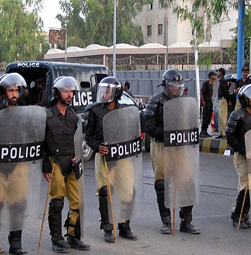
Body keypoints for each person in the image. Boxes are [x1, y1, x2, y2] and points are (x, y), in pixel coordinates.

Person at [0, 73, 33, 255]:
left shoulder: (26, 113)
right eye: (11, 90)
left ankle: (16, 244)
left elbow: (34, 135)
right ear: (3, 92)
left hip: (20, 165)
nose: (14, 94)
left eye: (17, 90)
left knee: (18, 204)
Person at [144, 69, 200, 234]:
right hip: (161, 145)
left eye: (179, 86)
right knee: (162, 183)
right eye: (173, 86)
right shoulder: (156, 101)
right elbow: (149, 125)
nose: (177, 89)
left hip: (181, 147)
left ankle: (186, 220)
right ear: (166, 86)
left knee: (188, 181)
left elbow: (192, 123)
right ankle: (166, 220)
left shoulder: (185, 102)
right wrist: (167, 136)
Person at [85, 77, 138, 243]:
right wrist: (97, 146)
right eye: (103, 90)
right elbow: (88, 136)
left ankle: (124, 224)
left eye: (108, 91)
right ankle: (108, 228)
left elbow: (131, 132)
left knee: (128, 189)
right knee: (104, 192)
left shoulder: (124, 110)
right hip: (104, 157)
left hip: (122, 157)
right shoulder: (94, 111)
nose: (104, 94)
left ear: (116, 93)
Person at [42, 76, 90, 253]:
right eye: (65, 91)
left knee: (77, 202)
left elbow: (78, 141)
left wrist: (77, 157)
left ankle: (73, 236)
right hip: (55, 163)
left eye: (71, 91)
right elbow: (41, 143)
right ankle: (56, 239)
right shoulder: (47, 116)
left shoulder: (74, 117)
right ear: (57, 93)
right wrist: (45, 167)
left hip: (72, 164)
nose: (69, 95)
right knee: (57, 202)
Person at [225, 84, 251, 229]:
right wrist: (244, 151)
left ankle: (243, 213)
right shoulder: (237, 115)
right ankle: (238, 216)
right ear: (245, 99)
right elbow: (230, 136)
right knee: (246, 185)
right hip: (242, 156)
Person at [216, 68, 232, 139]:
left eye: (218, 72)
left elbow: (225, 92)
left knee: (223, 117)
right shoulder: (221, 81)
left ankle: (225, 133)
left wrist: (228, 100)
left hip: (223, 100)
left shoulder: (223, 81)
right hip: (220, 99)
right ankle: (221, 133)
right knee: (220, 117)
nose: (217, 73)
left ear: (221, 73)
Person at [200, 71, 216, 138]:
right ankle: (202, 131)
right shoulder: (206, 83)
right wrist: (203, 101)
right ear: (211, 76)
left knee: (209, 116)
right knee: (205, 116)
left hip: (210, 100)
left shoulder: (211, 83)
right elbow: (201, 92)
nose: (215, 76)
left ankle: (206, 130)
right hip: (206, 100)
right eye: (214, 75)